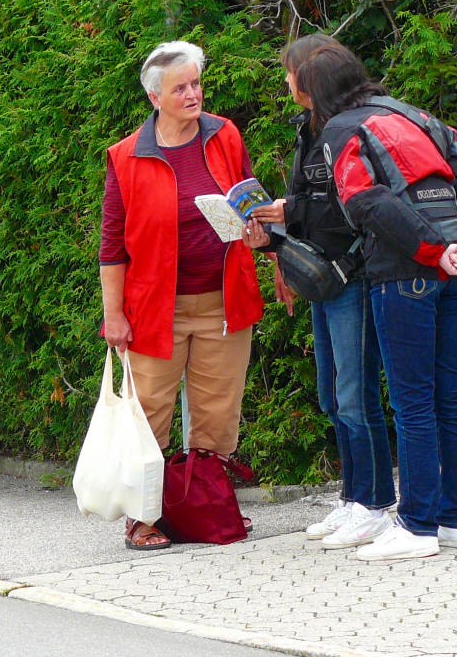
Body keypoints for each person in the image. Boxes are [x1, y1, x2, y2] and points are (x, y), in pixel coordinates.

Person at [290, 44, 457, 561]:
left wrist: (435, 250)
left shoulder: (341, 131)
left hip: (405, 275)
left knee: (413, 402)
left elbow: (364, 201)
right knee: (452, 393)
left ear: (314, 93)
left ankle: (417, 525)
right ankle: (456, 519)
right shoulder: (419, 116)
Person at [99, 40, 264, 551]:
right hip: (155, 308)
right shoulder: (126, 156)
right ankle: (142, 517)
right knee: (149, 416)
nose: (193, 94)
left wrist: (260, 232)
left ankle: (206, 504)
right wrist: (114, 317)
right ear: (155, 98)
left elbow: (249, 199)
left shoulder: (224, 134)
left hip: (222, 301)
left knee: (218, 415)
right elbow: (112, 243)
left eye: (196, 83)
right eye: (180, 88)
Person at [246, 35, 397, 549]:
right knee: (334, 398)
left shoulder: (348, 130)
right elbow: (314, 201)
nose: (287, 81)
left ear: (313, 79)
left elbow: (349, 206)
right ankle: (354, 497)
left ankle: (377, 503)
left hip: (351, 275)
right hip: (321, 276)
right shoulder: (308, 130)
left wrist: (291, 210)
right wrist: (278, 245)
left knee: (356, 396)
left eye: (291, 72)